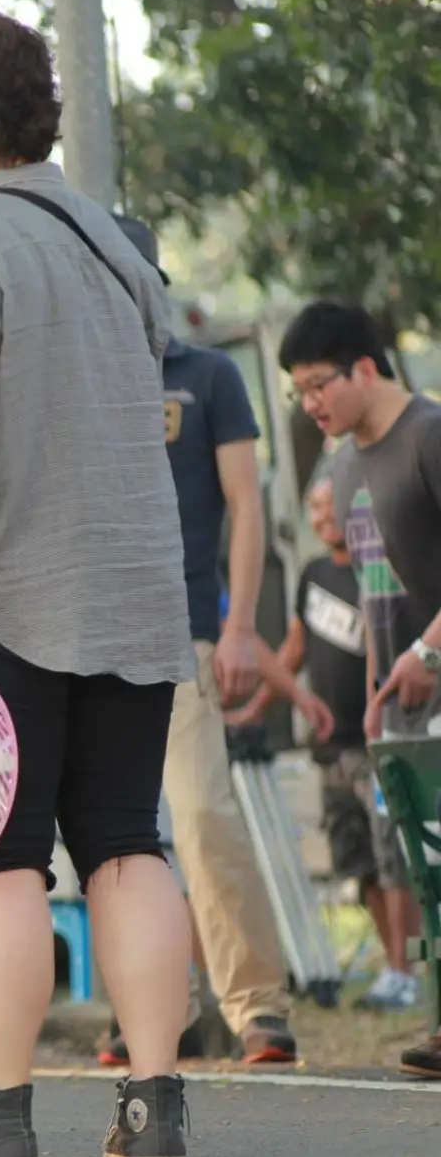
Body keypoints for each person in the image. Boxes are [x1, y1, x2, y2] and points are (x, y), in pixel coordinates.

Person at [0, 13, 196, 1157]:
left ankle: (1, 1116)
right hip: (136, 585)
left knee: (3, 854)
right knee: (124, 838)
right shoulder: (119, 242)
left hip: (15, 588)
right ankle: (154, 1110)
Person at [104, 216, 297, 1066]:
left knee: (203, 815)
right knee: (115, 835)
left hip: (185, 630)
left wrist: (241, 624)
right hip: (94, 638)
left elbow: (247, 508)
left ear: (155, 282)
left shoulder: (208, 374)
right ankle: (155, 1011)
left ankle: (257, 1006)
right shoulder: (81, 380)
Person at [280, 298, 441, 1078]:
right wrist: (380, 690)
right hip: (399, 708)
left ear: (366, 368)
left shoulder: (430, 436)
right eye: (300, 391)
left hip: (435, 676)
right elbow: (376, 593)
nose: (312, 403)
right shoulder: (343, 467)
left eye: (319, 385)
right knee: (424, 866)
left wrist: (428, 655)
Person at [228, 477, 420, 1011]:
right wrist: (257, 708)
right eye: (312, 507)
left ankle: (408, 971)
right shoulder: (311, 575)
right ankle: (391, 968)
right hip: (331, 747)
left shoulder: (381, 570)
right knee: (358, 861)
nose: (320, 516)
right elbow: (293, 650)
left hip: (377, 743)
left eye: (328, 505)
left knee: (394, 857)